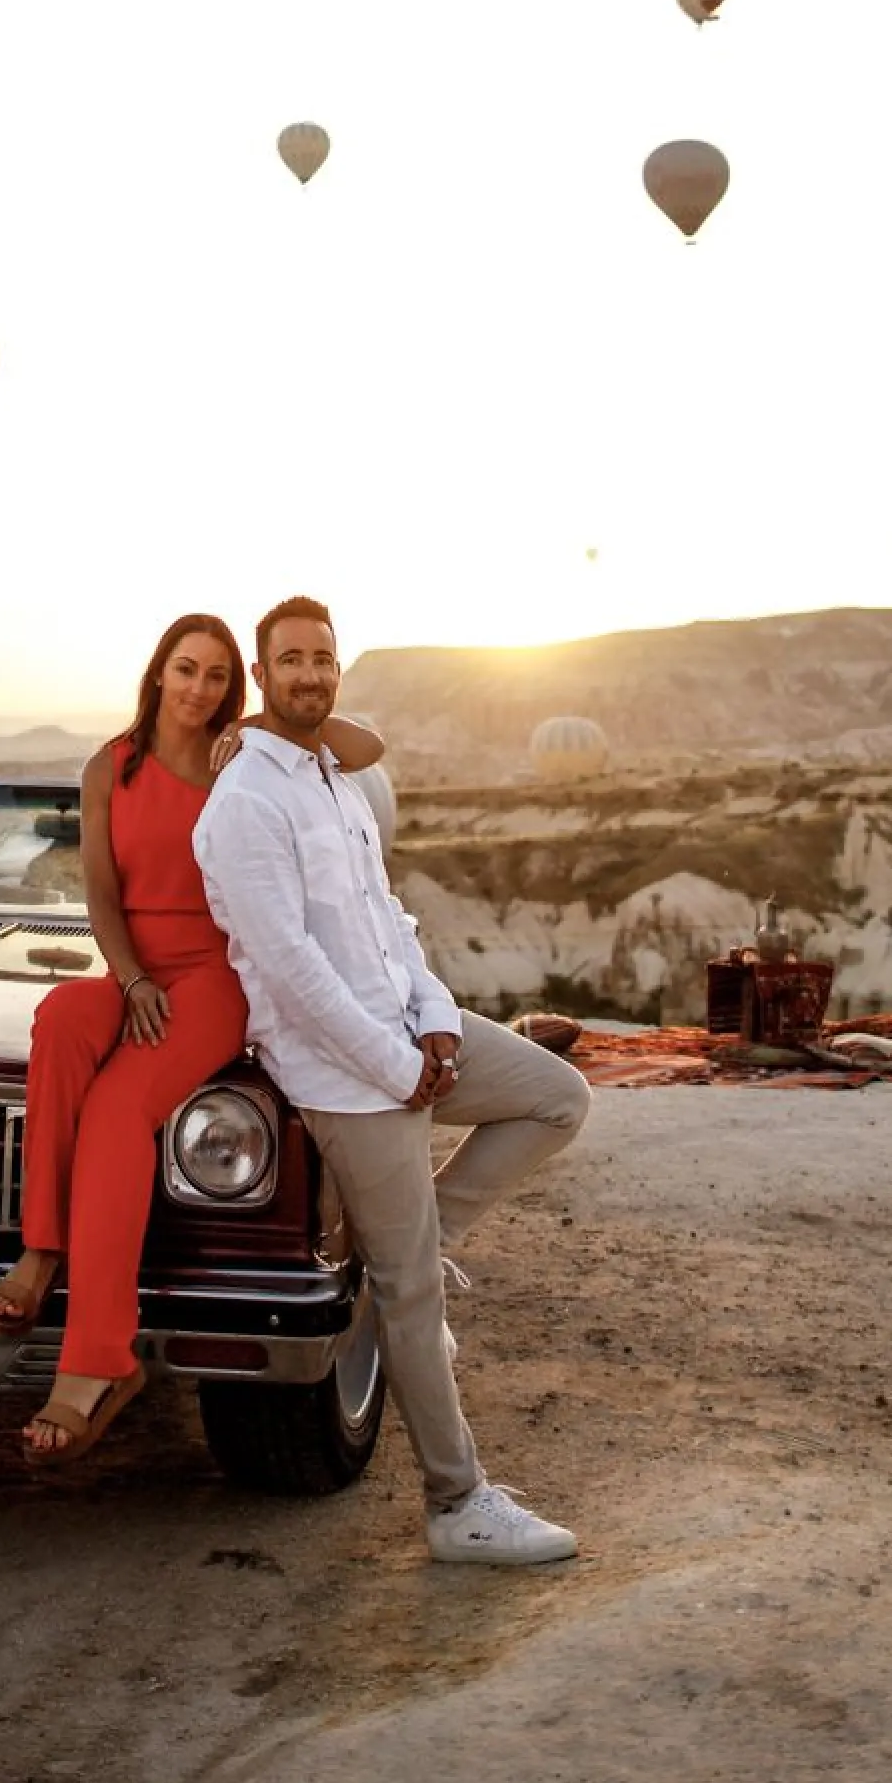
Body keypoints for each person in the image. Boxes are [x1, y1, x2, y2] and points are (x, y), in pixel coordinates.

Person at [194, 597, 591, 1566]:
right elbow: (287, 965)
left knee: (557, 1098)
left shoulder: (337, 780)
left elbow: (388, 923)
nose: (310, 674)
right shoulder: (247, 801)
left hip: (406, 1039)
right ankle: (458, 1505)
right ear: (262, 676)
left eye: (322, 658)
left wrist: (441, 1020)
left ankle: (407, 1249)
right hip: (340, 1069)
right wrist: (393, 1065)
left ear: (337, 670)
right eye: (290, 660)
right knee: (416, 1294)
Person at [0, 610, 389, 1461]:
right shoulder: (109, 766)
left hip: (214, 979)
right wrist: (129, 980)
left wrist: (266, 722)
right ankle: (40, 1249)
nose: (199, 688)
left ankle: (98, 1358)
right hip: (134, 968)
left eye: (215, 676)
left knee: (119, 1109)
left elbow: (364, 750)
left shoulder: (240, 756)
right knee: (60, 1019)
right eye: (186, 670)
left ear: (230, 686)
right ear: (158, 674)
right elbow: (102, 896)